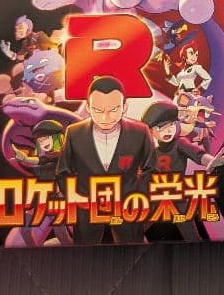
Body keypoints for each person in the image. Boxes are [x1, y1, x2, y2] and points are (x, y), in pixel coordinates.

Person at [55, 76, 157, 245]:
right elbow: (63, 172)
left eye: (114, 109)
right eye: (98, 110)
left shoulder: (140, 132)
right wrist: (76, 197)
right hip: (87, 210)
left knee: (132, 253)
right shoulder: (74, 132)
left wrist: (138, 198)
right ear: (88, 107)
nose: (105, 118)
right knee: (85, 256)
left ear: (125, 106)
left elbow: (152, 170)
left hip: (128, 209)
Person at [140, 100, 224, 241]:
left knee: (192, 237)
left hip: (177, 197)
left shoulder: (179, 143)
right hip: (157, 197)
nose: (168, 130)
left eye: (171, 125)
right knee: (134, 231)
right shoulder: (151, 151)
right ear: (150, 131)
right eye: (160, 127)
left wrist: (211, 160)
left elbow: (197, 154)